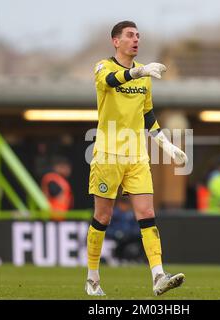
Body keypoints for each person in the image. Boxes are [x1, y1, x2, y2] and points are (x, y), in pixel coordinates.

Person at [85, 21, 187, 296]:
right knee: (103, 216)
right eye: (130, 35)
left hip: (137, 155)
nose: (135, 39)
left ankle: (158, 277)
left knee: (147, 213)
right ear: (115, 41)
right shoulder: (102, 67)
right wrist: (139, 70)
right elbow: (110, 81)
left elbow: (148, 116)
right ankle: (92, 278)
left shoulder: (144, 78)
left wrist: (166, 146)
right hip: (108, 154)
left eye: (138, 35)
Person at [105, 196, 144, 263]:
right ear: (119, 204)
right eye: (123, 204)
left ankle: (137, 259)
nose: (125, 206)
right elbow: (106, 229)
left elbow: (137, 228)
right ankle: (116, 258)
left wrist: (130, 233)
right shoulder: (113, 214)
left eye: (126, 204)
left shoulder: (132, 214)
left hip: (129, 237)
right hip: (114, 238)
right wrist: (116, 233)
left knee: (141, 240)